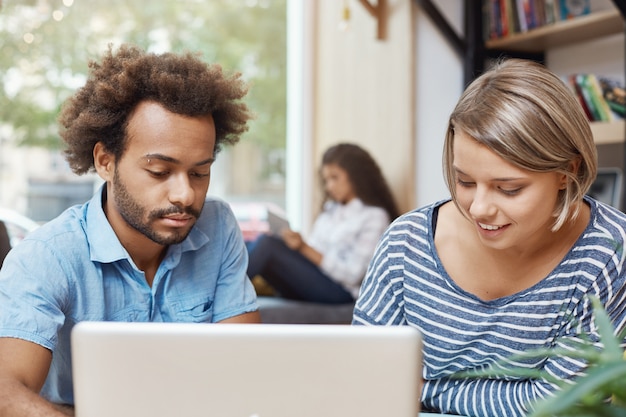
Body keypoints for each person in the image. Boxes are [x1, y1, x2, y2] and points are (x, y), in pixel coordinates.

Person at [352, 58, 626, 417]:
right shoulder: (407, 243)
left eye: (508, 189)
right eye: (465, 182)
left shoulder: (608, 251)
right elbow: (363, 376)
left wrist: (424, 391)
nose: (479, 208)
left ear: (566, 172)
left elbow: (563, 403)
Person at [0, 44, 260, 417]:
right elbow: (7, 392)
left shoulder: (217, 227)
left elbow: (249, 369)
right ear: (106, 161)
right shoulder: (46, 257)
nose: (185, 194)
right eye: (159, 172)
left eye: (200, 173)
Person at [247, 143, 400, 304]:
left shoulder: (374, 216)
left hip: (341, 290)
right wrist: (297, 245)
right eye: (326, 180)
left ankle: (221, 295)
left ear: (356, 175)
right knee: (251, 243)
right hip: (315, 277)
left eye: (334, 178)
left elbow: (353, 275)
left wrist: (304, 248)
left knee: (267, 245)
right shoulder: (330, 210)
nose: (329, 186)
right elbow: (315, 248)